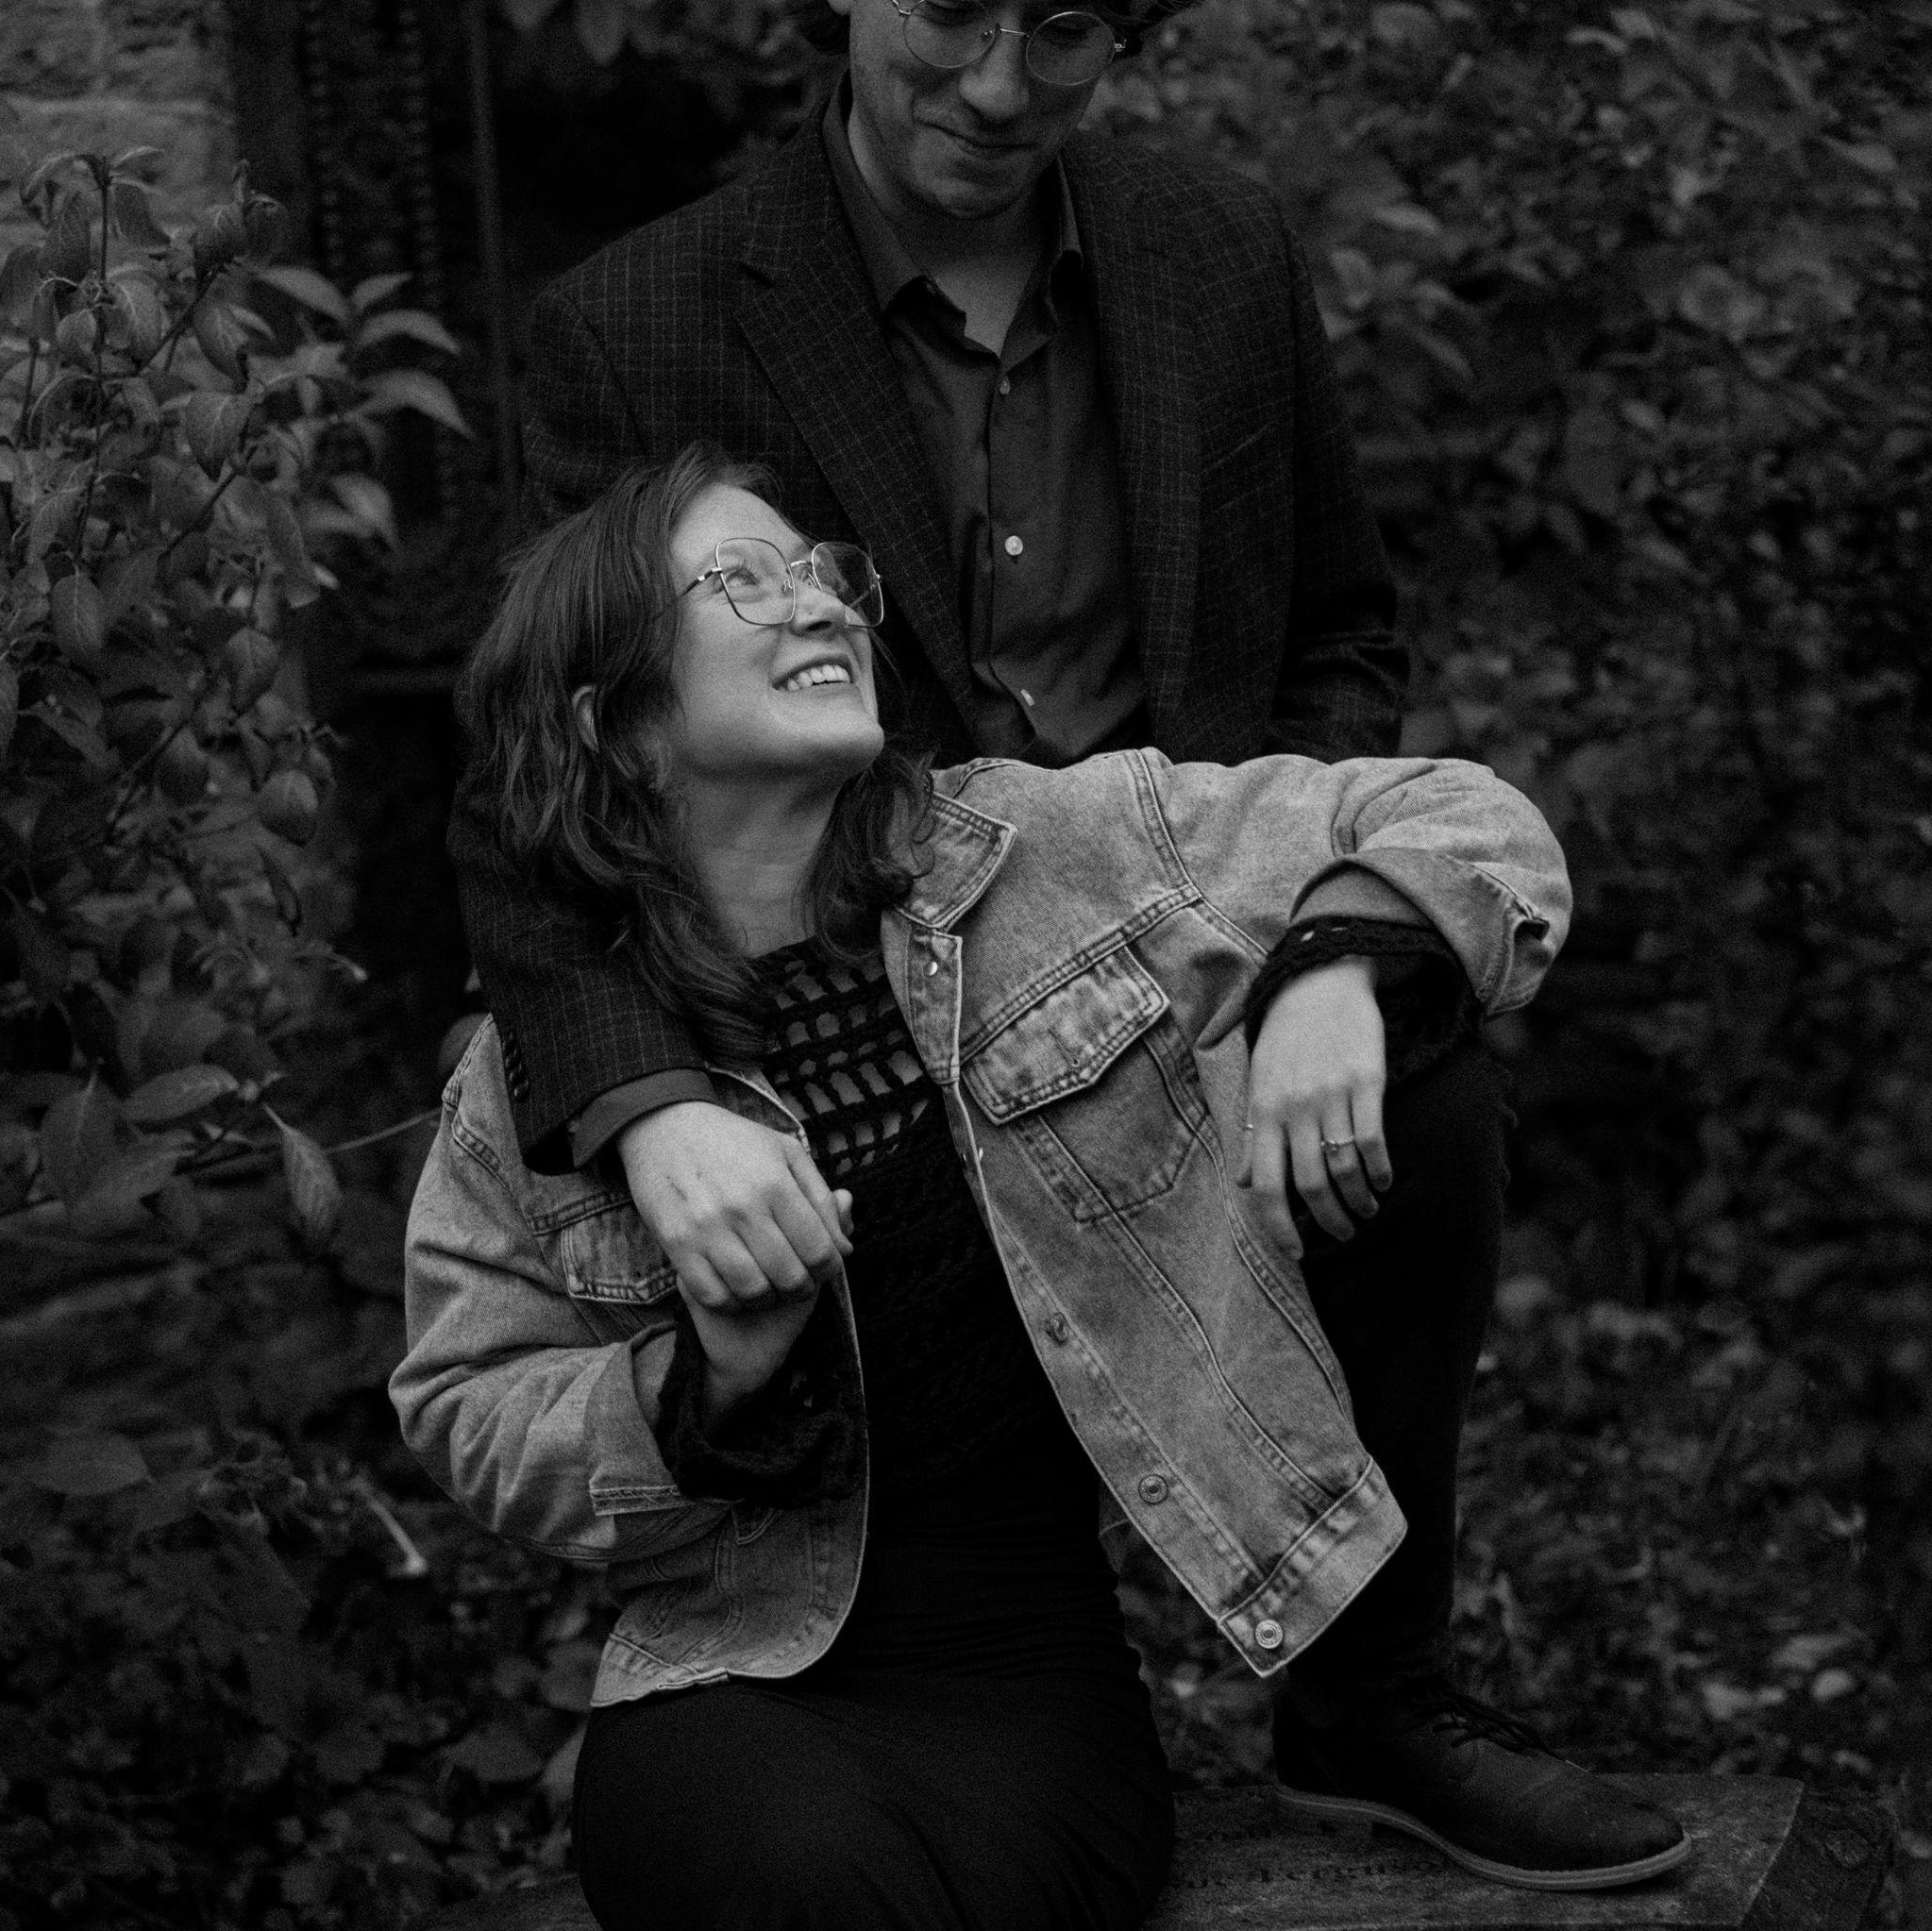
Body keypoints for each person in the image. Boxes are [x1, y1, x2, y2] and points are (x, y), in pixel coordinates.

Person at [447, 2, 1598, 1873]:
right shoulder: (642, 320)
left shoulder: (1212, 249)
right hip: (856, 1000)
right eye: (952, 14)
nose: (998, 85)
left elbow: (1336, 640)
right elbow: (531, 761)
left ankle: (1370, 1697)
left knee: (1422, 1080)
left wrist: (1324, 950)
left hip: (1167, 961)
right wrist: (652, 1107)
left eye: (1060, 24)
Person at [397, 448, 1688, 1929]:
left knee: (1418, 1043)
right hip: (734, 1674)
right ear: (612, 722)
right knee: (796, 1883)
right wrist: (706, 1383)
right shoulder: (544, 1072)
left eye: (821, 571)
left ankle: (1378, 1698)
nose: (816, 602)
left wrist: (1340, 962)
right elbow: (466, 1394)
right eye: (741, 580)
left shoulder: (1044, 851)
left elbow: (1466, 816)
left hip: (1029, 1677)